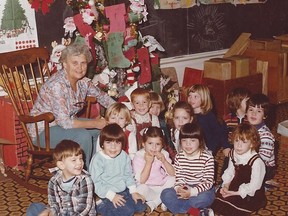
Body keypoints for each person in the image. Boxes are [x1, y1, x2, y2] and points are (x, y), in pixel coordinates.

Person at [27, 43, 115, 166]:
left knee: (100, 132)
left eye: (83, 63)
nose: (80, 67)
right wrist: (95, 122)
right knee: (83, 135)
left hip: (64, 125)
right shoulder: (57, 85)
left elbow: (103, 97)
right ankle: (84, 176)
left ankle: (95, 169)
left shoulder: (83, 82)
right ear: (65, 64)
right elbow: (65, 122)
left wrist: (122, 110)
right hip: (44, 131)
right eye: (75, 63)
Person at [26, 140, 96, 216]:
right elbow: (54, 205)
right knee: (35, 207)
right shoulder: (53, 181)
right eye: (74, 160)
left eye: (81, 158)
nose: (79, 162)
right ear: (61, 165)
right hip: (62, 213)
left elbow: (84, 208)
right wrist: (49, 212)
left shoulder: (85, 180)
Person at [89, 123, 146, 216]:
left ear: (122, 144)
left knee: (141, 206)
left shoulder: (124, 156)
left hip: (123, 190)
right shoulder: (97, 160)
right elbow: (95, 183)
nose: (113, 147)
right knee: (127, 212)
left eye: (117, 143)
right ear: (102, 144)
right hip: (106, 193)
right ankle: (100, 205)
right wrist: (112, 196)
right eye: (108, 142)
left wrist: (133, 191)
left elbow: (128, 175)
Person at [211, 123, 267, 216]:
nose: (239, 145)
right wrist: (226, 186)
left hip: (249, 191)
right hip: (235, 184)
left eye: (244, 142)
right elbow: (230, 171)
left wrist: (234, 193)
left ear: (252, 144)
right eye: (236, 141)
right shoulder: (233, 153)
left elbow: (254, 185)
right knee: (215, 200)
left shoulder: (256, 162)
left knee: (234, 208)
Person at [160, 122, 215, 216]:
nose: (188, 144)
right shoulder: (179, 157)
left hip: (202, 188)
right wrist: (179, 189)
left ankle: (176, 207)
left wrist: (192, 192)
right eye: (184, 140)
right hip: (185, 185)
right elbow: (179, 177)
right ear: (180, 141)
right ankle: (197, 211)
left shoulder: (208, 158)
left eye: (193, 140)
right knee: (165, 194)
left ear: (200, 141)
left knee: (203, 198)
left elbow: (208, 182)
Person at [132, 126, 175, 213]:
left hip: (162, 186)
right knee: (140, 189)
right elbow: (142, 180)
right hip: (148, 188)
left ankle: (155, 202)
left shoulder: (163, 153)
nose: (154, 147)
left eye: (158, 144)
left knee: (175, 179)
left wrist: (164, 161)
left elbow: (173, 173)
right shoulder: (138, 156)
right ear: (144, 144)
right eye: (150, 143)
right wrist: (148, 163)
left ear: (162, 145)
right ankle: (162, 200)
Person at [246, 93, 276, 185]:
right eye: (251, 109)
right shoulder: (246, 129)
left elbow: (263, 159)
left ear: (265, 116)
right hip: (249, 161)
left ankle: (265, 183)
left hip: (264, 167)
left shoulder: (266, 135)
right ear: (246, 112)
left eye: (259, 111)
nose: (253, 113)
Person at [187, 84, 225, 156]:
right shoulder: (189, 115)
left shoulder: (209, 116)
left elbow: (218, 134)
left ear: (204, 98)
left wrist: (210, 149)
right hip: (192, 148)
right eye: (190, 96)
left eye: (196, 96)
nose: (192, 99)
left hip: (207, 149)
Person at [221, 87, 251, 174]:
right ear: (237, 103)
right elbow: (222, 134)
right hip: (232, 148)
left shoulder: (250, 118)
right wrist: (225, 146)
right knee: (226, 168)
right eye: (247, 101)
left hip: (247, 148)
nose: (250, 104)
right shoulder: (228, 119)